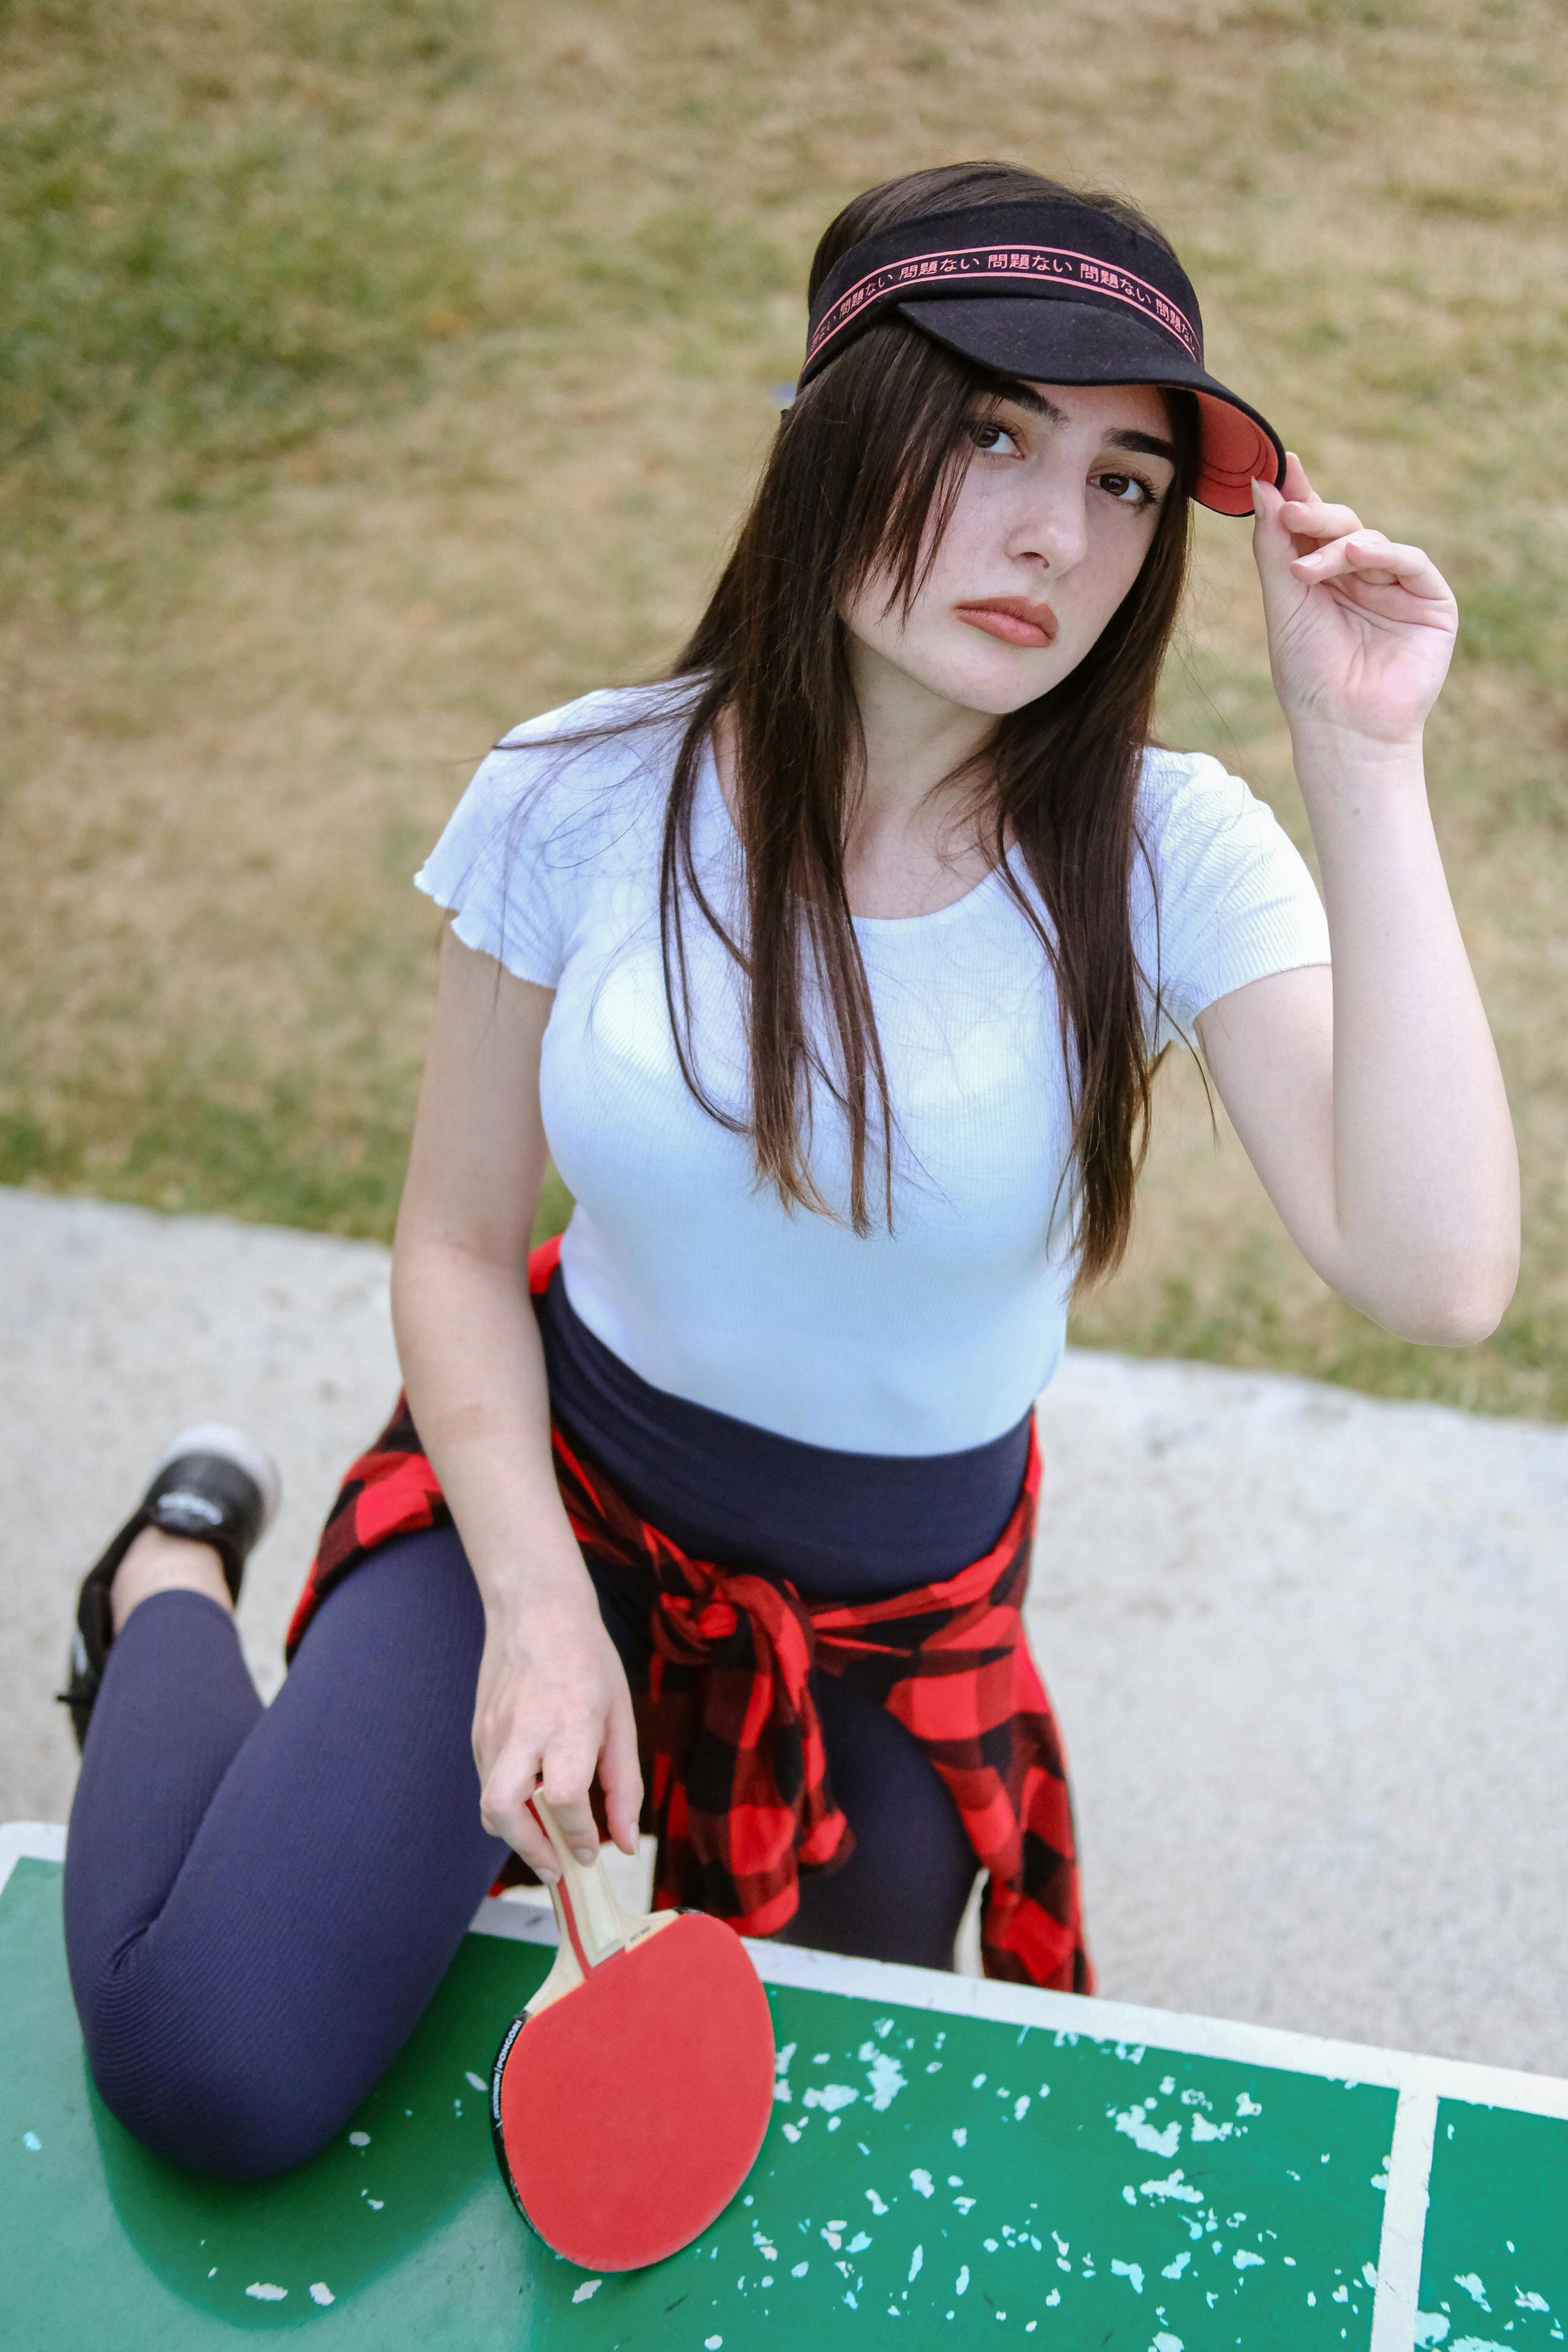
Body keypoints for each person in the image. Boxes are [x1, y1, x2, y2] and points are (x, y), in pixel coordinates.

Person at [58, 161, 1518, 2182]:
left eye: (1120, 480)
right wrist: (538, 1613)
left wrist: (1361, 755)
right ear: (840, 427)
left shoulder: (1172, 857)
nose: (1054, 533)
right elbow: (459, 1246)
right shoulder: (580, 792)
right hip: (548, 1495)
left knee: (801, 2174)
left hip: (888, 1618)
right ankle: (161, 1584)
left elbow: (1440, 1276)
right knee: (210, 2060)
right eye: (993, 431)